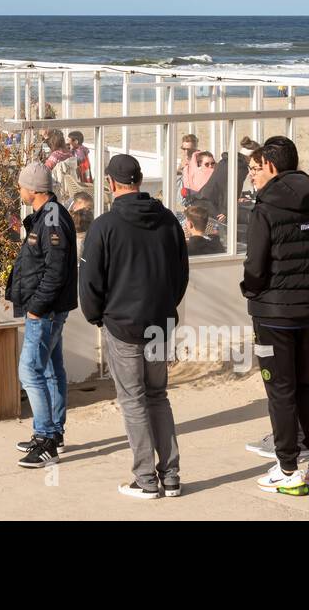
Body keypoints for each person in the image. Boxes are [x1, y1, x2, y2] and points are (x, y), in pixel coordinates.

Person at [79, 153, 188, 499]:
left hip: (123, 325)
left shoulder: (105, 226)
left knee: (134, 401)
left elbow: (90, 280)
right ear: (140, 181)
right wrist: (166, 306)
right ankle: (170, 475)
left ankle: (146, 478)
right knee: (157, 396)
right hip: (160, 322)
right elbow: (181, 275)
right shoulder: (169, 220)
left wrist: (97, 316)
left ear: (110, 184)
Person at [241, 136, 309, 496]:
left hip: (273, 313)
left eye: (257, 167)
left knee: (280, 391)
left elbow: (255, 265)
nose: (254, 175)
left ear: (270, 165)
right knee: (304, 383)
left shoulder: (265, 207)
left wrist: (252, 290)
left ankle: (287, 469)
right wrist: (308, 285)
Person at [6, 162, 77, 468]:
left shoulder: (51, 219)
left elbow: (56, 269)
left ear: (33, 190)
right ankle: (53, 432)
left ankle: (46, 438)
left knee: (30, 371)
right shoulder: (46, 215)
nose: (19, 190)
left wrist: (36, 308)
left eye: (21, 186)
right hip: (47, 309)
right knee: (50, 369)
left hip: (45, 311)